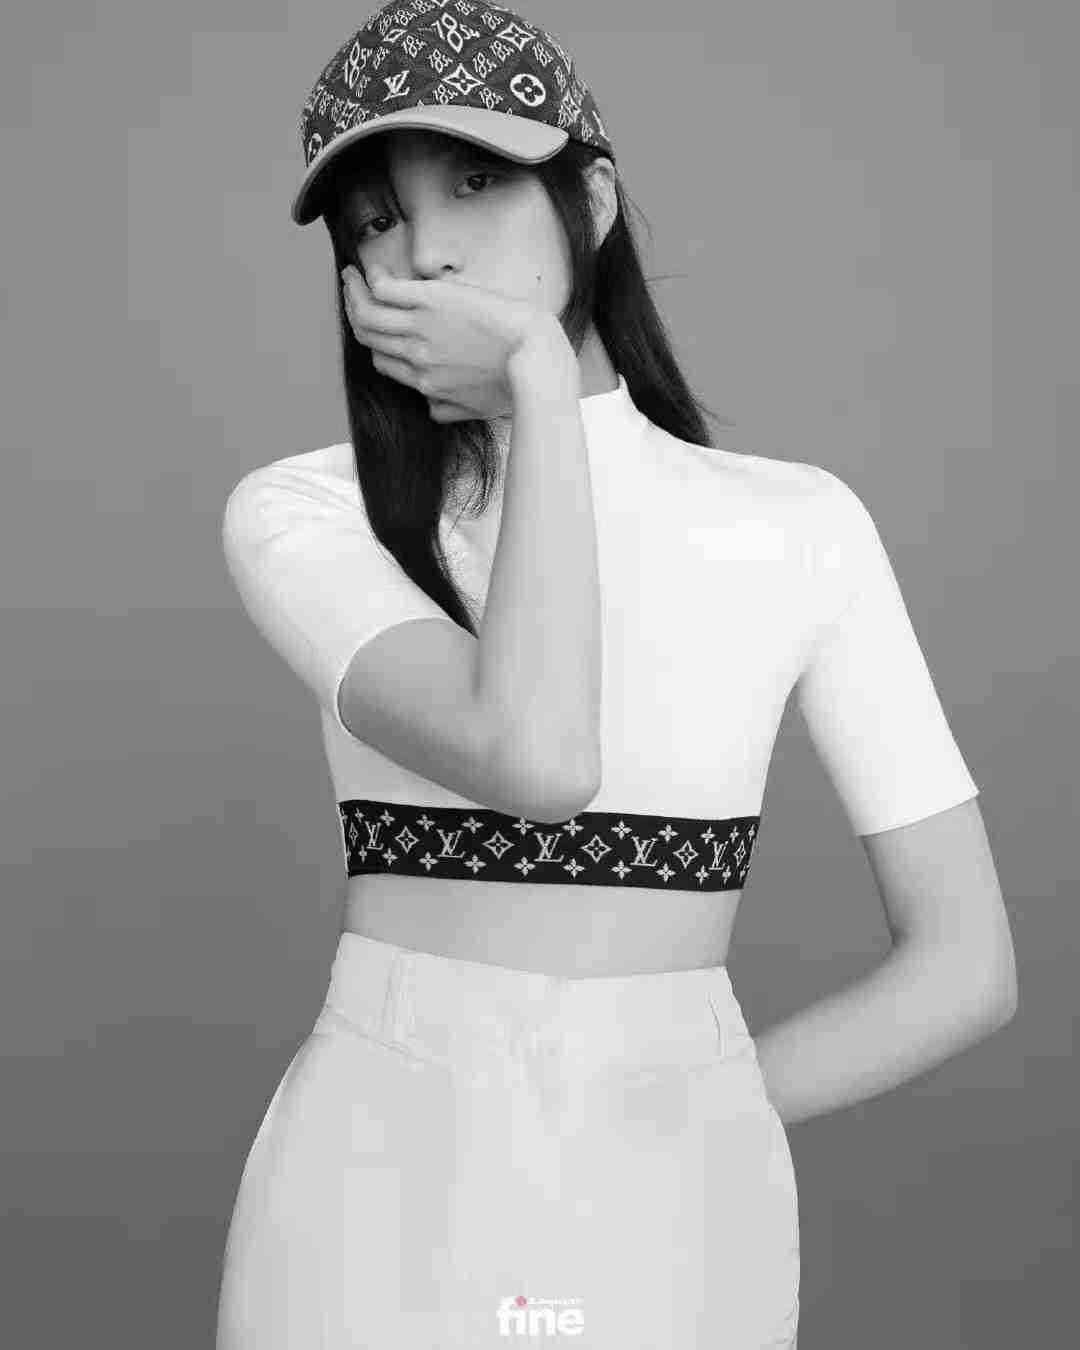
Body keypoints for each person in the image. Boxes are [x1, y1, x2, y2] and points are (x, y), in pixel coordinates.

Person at [214, 4, 1016, 1346]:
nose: (426, 248)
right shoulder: (306, 513)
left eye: (476, 182)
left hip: (675, 1205)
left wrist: (704, 1099)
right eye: (375, 216)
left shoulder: (800, 527)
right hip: (370, 1185)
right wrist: (538, 378)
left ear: (588, 202)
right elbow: (538, 758)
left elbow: (966, 963)